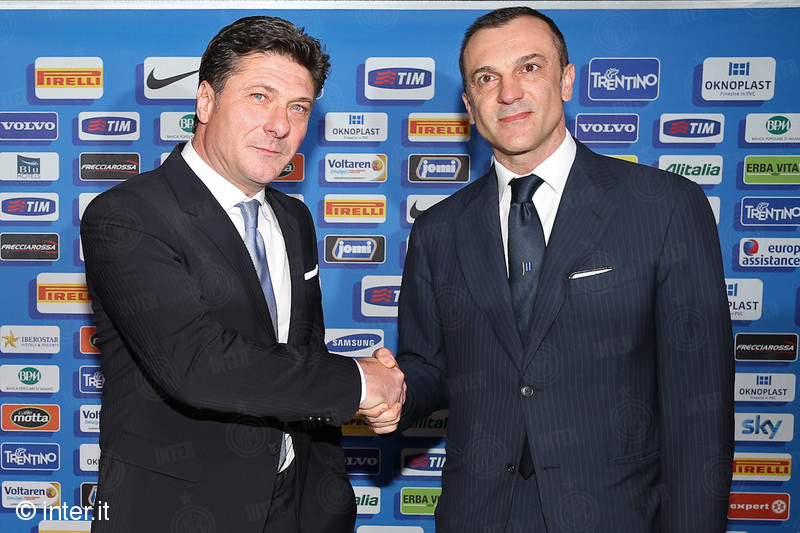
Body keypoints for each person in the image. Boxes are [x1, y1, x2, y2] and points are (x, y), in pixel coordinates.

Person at [366, 6, 734, 532]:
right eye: (486, 78)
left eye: (529, 67)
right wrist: (393, 390)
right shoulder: (438, 229)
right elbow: (430, 367)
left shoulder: (665, 206)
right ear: (469, 105)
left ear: (566, 80)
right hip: (479, 516)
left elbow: (699, 407)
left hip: (617, 517)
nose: (508, 93)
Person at [81, 16, 403, 533]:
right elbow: (196, 364)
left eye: (298, 107)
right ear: (205, 101)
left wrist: (328, 494)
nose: (280, 125)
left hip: (297, 506)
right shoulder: (128, 215)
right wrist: (361, 382)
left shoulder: (294, 218)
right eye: (259, 97)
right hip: (177, 511)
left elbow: (303, 353)